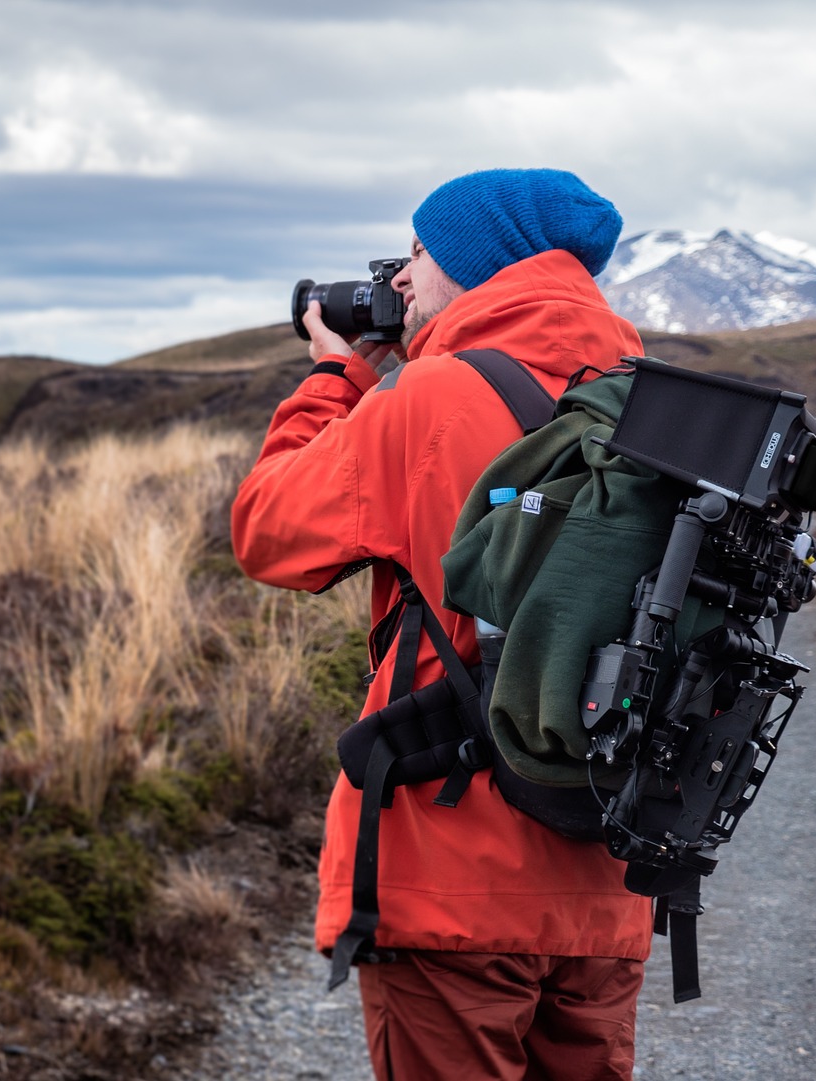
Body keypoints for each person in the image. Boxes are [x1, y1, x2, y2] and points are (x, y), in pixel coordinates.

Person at [231, 168, 656, 1080]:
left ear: (474, 261)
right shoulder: (652, 403)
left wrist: (335, 378)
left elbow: (267, 532)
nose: (399, 279)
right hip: (607, 875)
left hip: (451, 870)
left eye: (418, 252)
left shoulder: (427, 399)